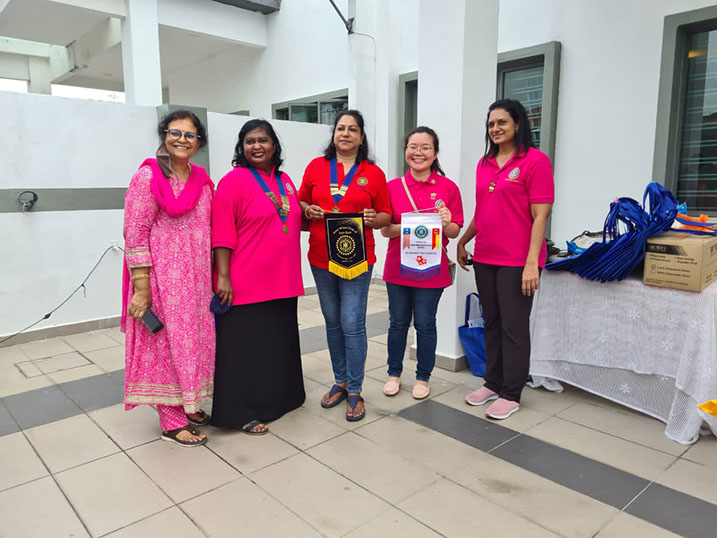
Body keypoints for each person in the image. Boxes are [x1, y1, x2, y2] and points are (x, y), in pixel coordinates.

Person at [122, 110, 214, 447]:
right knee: (165, 347)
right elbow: (135, 232)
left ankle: (189, 404)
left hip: (198, 283)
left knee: (193, 344)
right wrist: (142, 288)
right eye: (175, 133)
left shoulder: (202, 181)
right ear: (164, 135)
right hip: (162, 282)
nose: (182, 140)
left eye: (190, 135)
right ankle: (171, 422)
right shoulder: (148, 177)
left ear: (198, 143)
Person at [458, 99, 554, 419]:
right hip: (486, 256)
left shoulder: (535, 161)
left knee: (514, 327)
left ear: (517, 124)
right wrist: (464, 240)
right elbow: (483, 211)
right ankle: (493, 382)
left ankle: (511, 393)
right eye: (491, 124)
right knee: (492, 323)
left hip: (517, 261)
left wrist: (532, 263)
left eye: (502, 122)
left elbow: (540, 216)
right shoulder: (485, 163)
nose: (495, 128)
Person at [211, 119, 305, 434]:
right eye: (250, 141)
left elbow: (289, 215)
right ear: (242, 147)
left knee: (276, 345)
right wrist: (223, 276)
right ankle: (241, 411)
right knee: (245, 350)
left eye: (263, 140)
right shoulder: (232, 182)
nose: (257, 146)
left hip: (283, 279)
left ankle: (281, 400)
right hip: (246, 282)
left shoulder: (285, 180)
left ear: (274, 145)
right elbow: (222, 232)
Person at [299, 110, 391, 421]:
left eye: (353, 129)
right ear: (334, 134)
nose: (346, 134)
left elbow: (386, 215)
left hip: (357, 259)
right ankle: (339, 381)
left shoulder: (373, 173)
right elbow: (300, 200)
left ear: (361, 137)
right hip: (321, 257)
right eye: (341, 128)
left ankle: (355, 389)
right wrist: (308, 209)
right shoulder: (316, 167)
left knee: (352, 323)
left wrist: (373, 218)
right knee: (332, 322)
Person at [380, 126, 464, 399]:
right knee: (397, 323)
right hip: (398, 268)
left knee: (426, 324)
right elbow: (385, 230)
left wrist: (446, 222)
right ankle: (393, 373)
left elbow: (454, 232)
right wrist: (416, 224)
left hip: (432, 270)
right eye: (413, 147)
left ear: (435, 153)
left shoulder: (448, 188)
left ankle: (423, 378)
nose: (419, 152)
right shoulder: (392, 187)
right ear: (405, 151)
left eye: (425, 147)